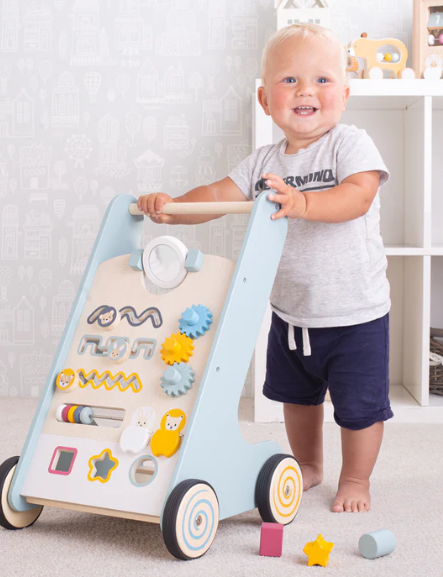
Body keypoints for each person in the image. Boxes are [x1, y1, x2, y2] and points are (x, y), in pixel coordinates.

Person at [137, 22, 392, 513]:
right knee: (297, 398)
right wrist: (176, 208)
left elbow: (358, 196)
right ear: (265, 100)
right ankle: (309, 464)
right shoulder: (263, 162)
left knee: (359, 407)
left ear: (344, 95)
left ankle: (356, 479)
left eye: (322, 80)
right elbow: (218, 194)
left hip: (355, 313)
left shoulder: (349, 144)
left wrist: (304, 202)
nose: (306, 91)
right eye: (290, 80)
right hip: (292, 313)